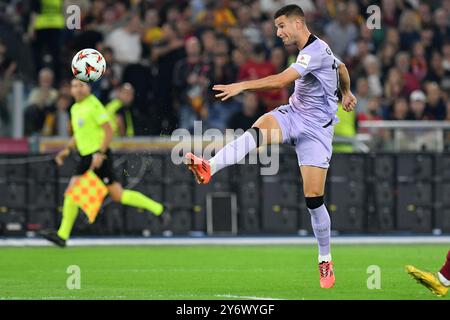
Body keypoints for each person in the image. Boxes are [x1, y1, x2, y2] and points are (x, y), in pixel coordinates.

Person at [185, 5, 356, 289]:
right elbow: (341, 67)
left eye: (281, 26)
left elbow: (279, 81)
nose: (278, 33)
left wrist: (242, 86)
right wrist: (347, 92)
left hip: (317, 132)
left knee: (313, 199)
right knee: (257, 131)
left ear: (298, 23)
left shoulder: (314, 51)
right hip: (293, 115)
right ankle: (209, 167)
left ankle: (325, 258)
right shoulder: (315, 51)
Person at [40, 79, 164, 247]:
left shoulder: (94, 104)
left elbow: (108, 130)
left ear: (88, 87)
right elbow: (79, 134)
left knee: (72, 192)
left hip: (96, 156)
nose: (78, 89)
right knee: (117, 194)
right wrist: (67, 150)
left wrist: (100, 153)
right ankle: (159, 209)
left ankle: (62, 235)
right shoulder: (75, 108)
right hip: (87, 156)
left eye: (81, 85)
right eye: (75, 86)